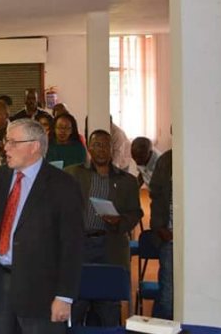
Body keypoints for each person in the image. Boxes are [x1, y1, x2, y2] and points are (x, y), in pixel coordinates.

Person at [0, 118, 84, 334]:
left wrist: (64, 296)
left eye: (13, 142)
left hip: (40, 291)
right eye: (7, 142)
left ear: (34, 146)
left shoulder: (63, 185)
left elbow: (72, 245)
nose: (5, 147)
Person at [148, 150, 221, 320]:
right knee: (168, 299)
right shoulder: (167, 161)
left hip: (209, 245)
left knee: (211, 299)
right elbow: (155, 195)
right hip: (171, 242)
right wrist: (159, 227)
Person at [64, 130, 142, 326]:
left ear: (112, 150)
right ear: (89, 148)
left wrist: (120, 221)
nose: (101, 150)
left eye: (105, 145)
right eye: (96, 145)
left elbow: (135, 213)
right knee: (76, 305)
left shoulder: (127, 181)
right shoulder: (72, 174)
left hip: (110, 247)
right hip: (80, 246)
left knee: (108, 309)